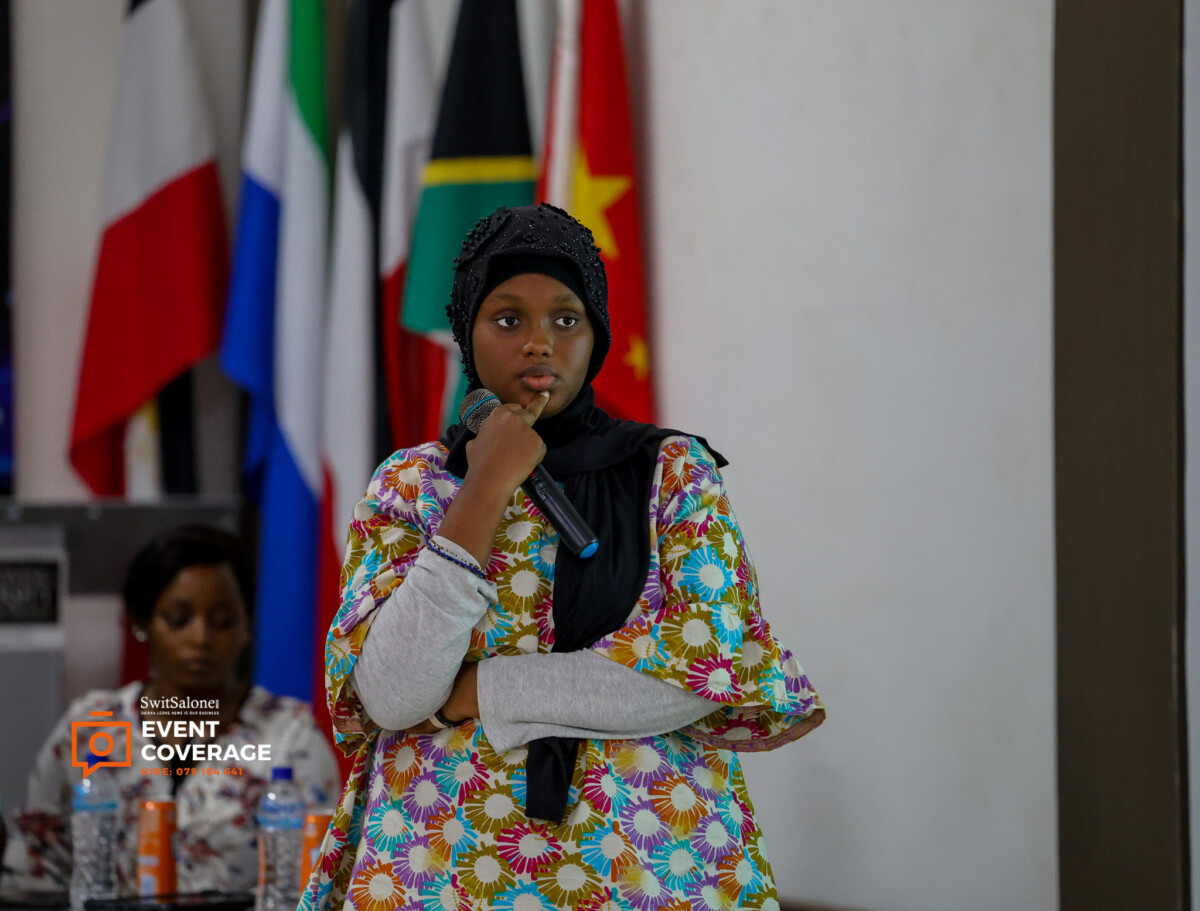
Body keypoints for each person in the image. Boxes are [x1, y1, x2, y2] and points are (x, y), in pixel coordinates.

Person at [303, 204, 825, 911]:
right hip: (438, 861)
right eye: (507, 319)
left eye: (566, 318)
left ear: (596, 333)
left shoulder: (671, 471)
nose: (539, 343)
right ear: (467, 333)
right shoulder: (411, 483)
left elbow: (700, 670)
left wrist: (477, 692)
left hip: (648, 864)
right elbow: (394, 694)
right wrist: (485, 487)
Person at [2, 525, 340, 896]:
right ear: (142, 622)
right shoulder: (92, 726)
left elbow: (326, 879)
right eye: (179, 620)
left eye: (223, 622)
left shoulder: (289, 736)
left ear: (246, 627)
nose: (201, 638)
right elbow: (35, 875)